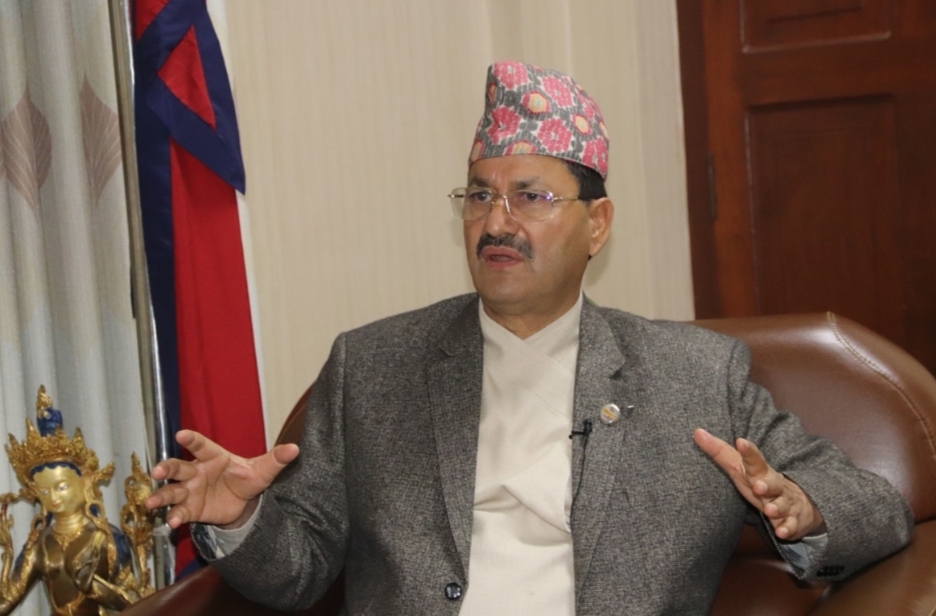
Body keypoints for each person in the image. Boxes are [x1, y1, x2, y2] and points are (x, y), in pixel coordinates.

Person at [145, 61, 912, 615]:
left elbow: (879, 507)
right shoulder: (373, 367)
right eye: (479, 195)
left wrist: (802, 507)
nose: (497, 222)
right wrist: (240, 518)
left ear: (597, 225)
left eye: (530, 197)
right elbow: (300, 570)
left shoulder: (695, 376)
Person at [1, 387, 153, 616]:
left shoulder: (105, 538)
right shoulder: (39, 544)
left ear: (85, 483)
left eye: (61, 487)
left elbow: (135, 603)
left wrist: (95, 589)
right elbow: (10, 597)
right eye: (44, 491)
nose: (53, 497)